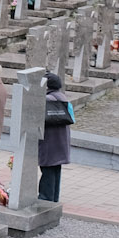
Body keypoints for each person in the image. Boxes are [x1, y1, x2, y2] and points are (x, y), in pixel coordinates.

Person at [37, 71, 70, 204]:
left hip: (50, 142)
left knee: (48, 171)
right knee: (55, 170)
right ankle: (54, 198)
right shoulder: (62, 97)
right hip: (61, 142)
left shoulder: (48, 99)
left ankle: (46, 199)